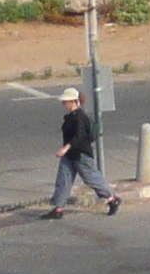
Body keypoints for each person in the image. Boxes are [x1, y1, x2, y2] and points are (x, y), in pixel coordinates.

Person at [49, 85, 117, 219]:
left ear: (74, 102)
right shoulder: (69, 117)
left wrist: (65, 148)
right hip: (70, 155)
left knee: (91, 179)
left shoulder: (80, 117)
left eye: (66, 102)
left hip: (81, 155)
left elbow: (79, 137)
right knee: (63, 180)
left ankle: (112, 199)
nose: (64, 104)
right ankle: (58, 209)